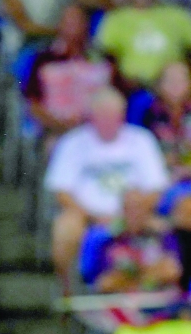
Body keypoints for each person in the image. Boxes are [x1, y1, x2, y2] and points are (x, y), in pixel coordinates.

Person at [44, 87, 170, 290]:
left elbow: (155, 189)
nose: (108, 121)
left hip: (135, 214)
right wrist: (94, 216)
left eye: (113, 115)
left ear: (122, 115)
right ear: (91, 116)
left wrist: (130, 216)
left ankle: (161, 294)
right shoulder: (73, 142)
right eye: (102, 115)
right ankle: (68, 293)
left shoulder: (141, 140)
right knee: (65, 228)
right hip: (87, 216)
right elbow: (62, 192)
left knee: (166, 229)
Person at [22, 5, 115, 140]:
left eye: (79, 21)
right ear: (59, 25)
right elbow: (33, 104)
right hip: (56, 130)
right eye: (69, 21)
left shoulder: (104, 60)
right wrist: (59, 126)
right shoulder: (43, 60)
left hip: (98, 130)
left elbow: (115, 98)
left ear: (87, 25)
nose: (74, 26)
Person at [95, 0, 191, 88]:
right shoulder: (116, 19)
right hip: (131, 87)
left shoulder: (178, 15)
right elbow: (105, 57)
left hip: (173, 86)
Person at [88, 190, 182, 293]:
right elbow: (104, 283)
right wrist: (148, 272)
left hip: (158, 299)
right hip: (120, 301)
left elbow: (172, 272)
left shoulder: (163, 236)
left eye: (139, 208)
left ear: (148, 210)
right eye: (130, 208)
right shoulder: (110, 240)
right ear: (122, 211)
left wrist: (132, 273)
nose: (135, 214)